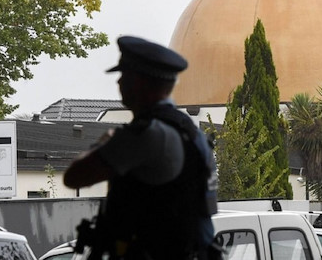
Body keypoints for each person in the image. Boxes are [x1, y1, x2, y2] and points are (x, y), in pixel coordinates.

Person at [64, 36, 217, 260]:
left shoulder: (147, 135)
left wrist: (106, 141)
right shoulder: (192, 133)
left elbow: (74, 177)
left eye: (123, 76)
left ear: (139, 82)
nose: (118, 83)